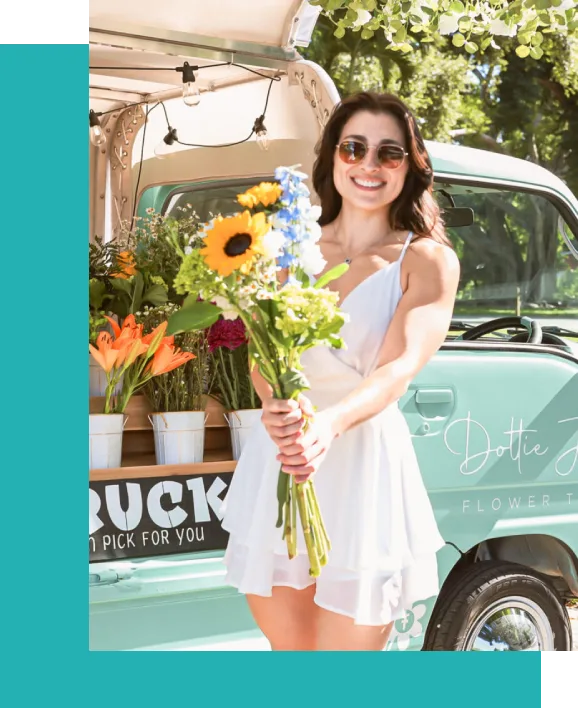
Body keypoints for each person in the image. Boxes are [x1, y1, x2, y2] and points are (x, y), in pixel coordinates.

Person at [220, 91, 461, 651]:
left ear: (410, 166)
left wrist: (328, 424)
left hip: (363, 470)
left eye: (389, 153)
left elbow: (399, 366)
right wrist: (273, 403)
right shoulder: (281, 249)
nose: (368, 165)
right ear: (332, 156)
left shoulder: (425, 260)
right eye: (354, 147)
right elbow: (263, 354)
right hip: (280, 461)